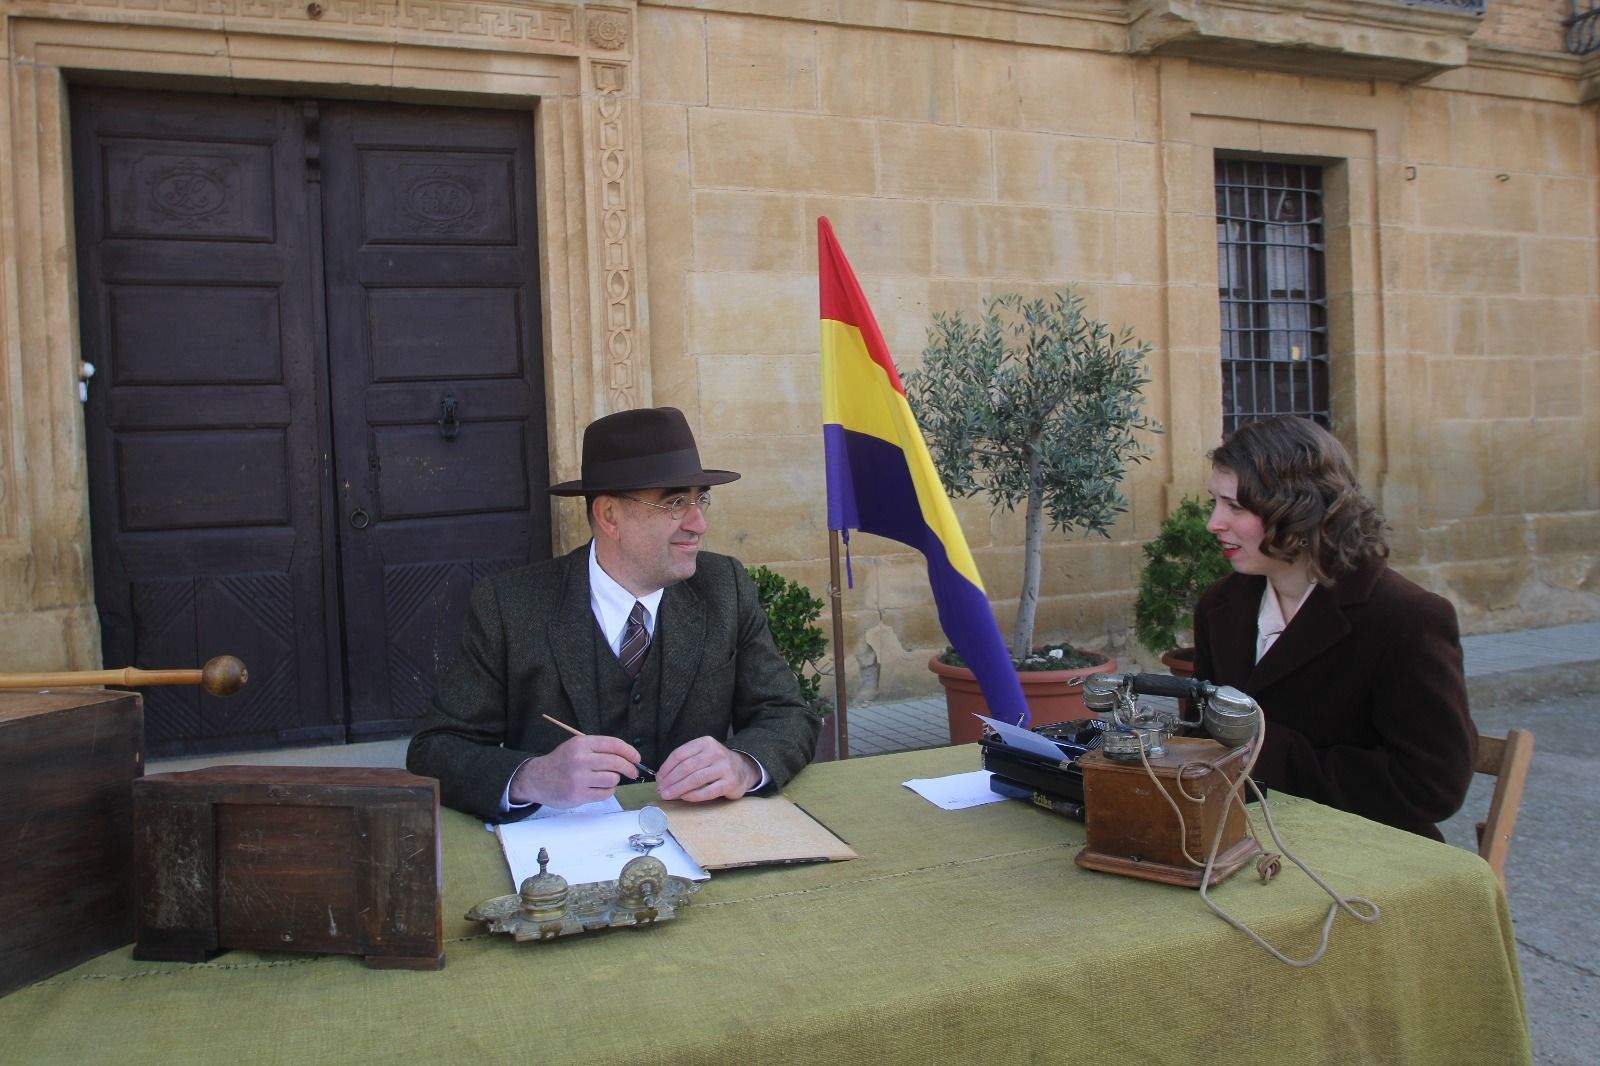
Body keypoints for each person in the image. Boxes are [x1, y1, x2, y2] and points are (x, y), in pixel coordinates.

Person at [408, 406, 820, 822]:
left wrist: (743, 765)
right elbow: (435, 749)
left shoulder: (724, 587)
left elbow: (787, 714)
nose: (699, 523)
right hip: (560, 854)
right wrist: (531, 776)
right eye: (676, 503)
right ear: (609, 516)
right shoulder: (509, 606)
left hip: (698, 842)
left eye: (701, 499)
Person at [1192, 416, 1475, 840]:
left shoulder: (1406, 618)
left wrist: (1270, 754)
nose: (1214, 523)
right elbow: (1205, 738)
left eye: (1235, 507)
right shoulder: (1220, 605)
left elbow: (1433, 786)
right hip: (1240, 840)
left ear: (1299, 509)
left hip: (1371, 850)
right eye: (1215, 502)